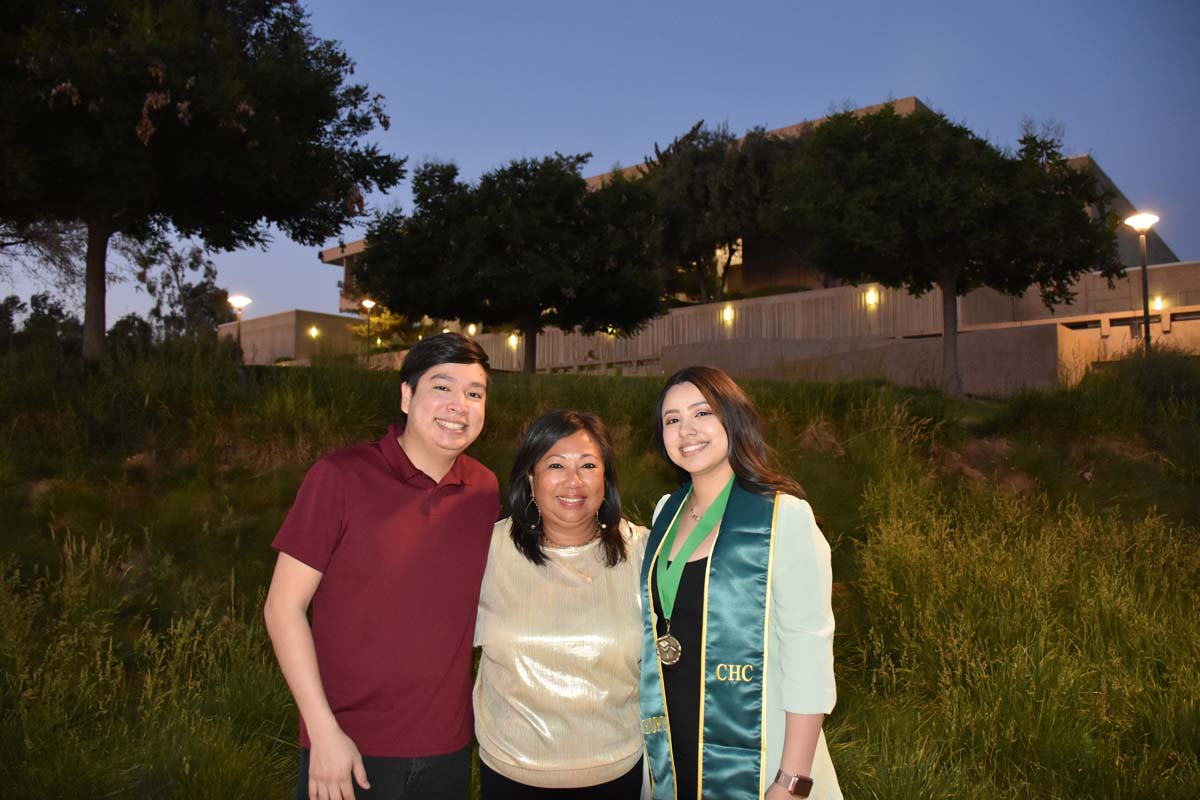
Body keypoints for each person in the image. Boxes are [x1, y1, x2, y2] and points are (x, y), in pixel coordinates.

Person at [264, 332, 499, 800]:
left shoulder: (485, 490)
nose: (459, 405)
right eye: (442, 387)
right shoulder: (340, 477)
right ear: (407, 395)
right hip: (347, 749)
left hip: (449, 749)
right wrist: (322, 732)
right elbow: (282, 608)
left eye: (474, 393)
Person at [640, 366, 840, 800]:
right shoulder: (664, 514)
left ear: (733, 418)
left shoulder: (783, 518)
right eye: (672, 420)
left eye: (702, 413)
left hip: (759, 746)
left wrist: (792, 780)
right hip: (673, 741)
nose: (686, 430)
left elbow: (809, 657)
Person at [473, 410, 649, 799]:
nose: (573, 481)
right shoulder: (486, 551)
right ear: (531, 480)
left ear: (606, 479)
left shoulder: (644, 553)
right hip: (509, 774)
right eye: (555, 465)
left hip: (616, 773)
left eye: (588, 465)